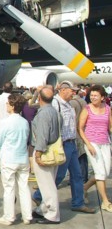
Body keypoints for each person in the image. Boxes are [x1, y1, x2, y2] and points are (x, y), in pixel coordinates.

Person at [32, 81, 94, 214]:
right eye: (72, 90)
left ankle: (78, 202)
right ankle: (39, 196)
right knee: (58, 176)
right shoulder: (55, 104)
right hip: (62, 144)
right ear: (63, 90)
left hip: (72, 144)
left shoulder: (69, 105)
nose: (74, 93)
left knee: (77, 175)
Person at [0, 94, 33, 225]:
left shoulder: (5, 122)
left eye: (8, 103)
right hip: (22, 157)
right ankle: (27, 216)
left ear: (12, 106)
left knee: (9, 188)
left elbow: (0, 140)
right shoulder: (25, 122)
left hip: (9, 158)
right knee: (24, 187)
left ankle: (9, 216)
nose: (6, 105)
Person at [78, 84, 112, 212]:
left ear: (102, 97)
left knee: (105, 173)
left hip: (105, 143)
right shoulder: (87, 109)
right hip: (92, 143)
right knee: (100, 173)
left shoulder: (108, 108)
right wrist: (88, 144)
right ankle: (105, 201)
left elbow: (110, 127)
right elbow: (80, 128)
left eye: (95, 96)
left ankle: (84, 189)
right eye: (91, 95)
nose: (93, 97)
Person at [31, 86, 61, 224]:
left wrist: (38, 154)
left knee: (47, 186)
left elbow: (42, 136)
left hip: (44, 151)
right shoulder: (54, 111)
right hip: (53, 150)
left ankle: (53, 215)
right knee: (48, 183)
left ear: (40, 98)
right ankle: (43, 209)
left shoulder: (43, 114)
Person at [69, 86, 89, 183]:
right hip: (83, 130)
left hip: (75, 131)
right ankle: (85, 176)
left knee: (77, 156)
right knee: (83, 155)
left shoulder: (71, 103)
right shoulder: (83, 102)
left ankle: (79, 177)